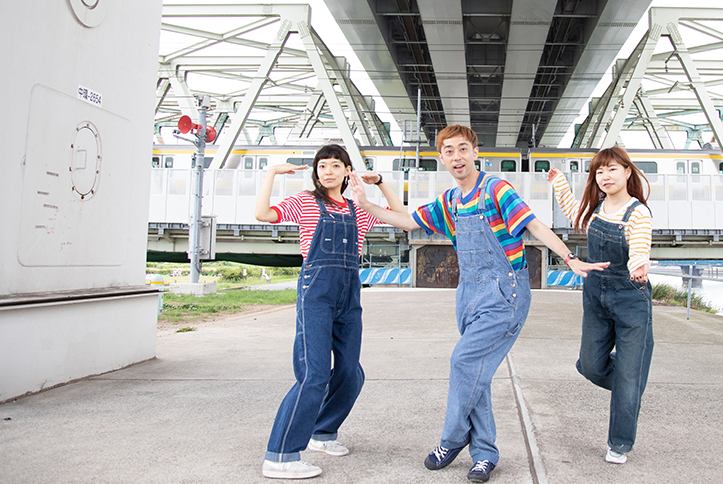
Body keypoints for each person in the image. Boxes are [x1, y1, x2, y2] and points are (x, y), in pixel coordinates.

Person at [347, 124, 608, 483]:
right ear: (442, 158)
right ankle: (484, 455)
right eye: (449, 151)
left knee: (463, 361)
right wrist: (364, 203)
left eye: (462, 149)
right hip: (468, 293)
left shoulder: (496, 189)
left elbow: (534, 225)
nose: (457, 157)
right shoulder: (450, 201)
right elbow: (408, 221)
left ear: (475, 152)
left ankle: (452, 440)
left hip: (505, 293)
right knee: (476, 373)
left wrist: (569, 257)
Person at [255, 144, 404, 480]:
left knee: (351, 372)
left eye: (335, 165)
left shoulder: (359, 208)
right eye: (322, 166)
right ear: (316, 171)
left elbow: (402, 217)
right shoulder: (306, 201)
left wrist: (379, 182)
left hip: (349, 294)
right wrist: (270, 175)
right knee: (314, 374)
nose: (327, 171)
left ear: (347, 171)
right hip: (317, 293)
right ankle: (280, 454)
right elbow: (263, 215)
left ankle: (321, 432)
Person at [546, 145, 654, 465]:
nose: (605, 176)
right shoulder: (595, 209)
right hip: (596, 295)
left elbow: (639, 244)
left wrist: (639, 263)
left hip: (630, 296)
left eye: (612, 170)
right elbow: (571, 208)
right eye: (599, 171)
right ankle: (629, 385)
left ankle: (619, 443)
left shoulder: (638, 213)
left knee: (627, 378)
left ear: (627, 172)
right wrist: (559, 182)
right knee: (590, 366)